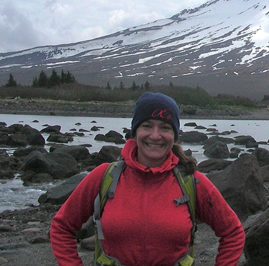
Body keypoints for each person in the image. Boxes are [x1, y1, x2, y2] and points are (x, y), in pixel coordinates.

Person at [50, 92, 245, 266]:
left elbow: (232, 233)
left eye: (165, 127)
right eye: (147, 126)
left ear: (174, 134)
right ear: (135, 131)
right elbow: (61, 227)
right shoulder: (105, 176)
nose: (155, 135)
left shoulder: (191, 181)